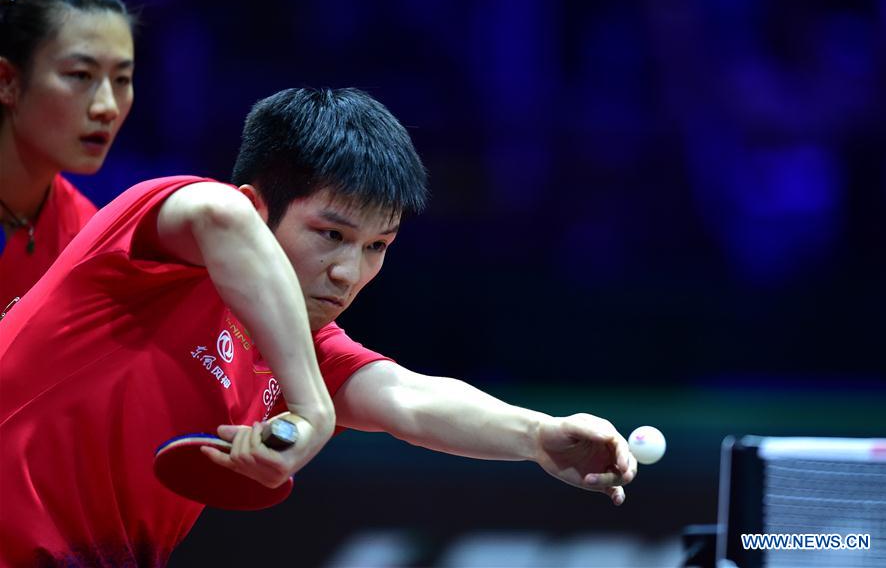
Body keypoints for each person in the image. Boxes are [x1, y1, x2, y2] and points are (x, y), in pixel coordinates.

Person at [0, 87, 637, 566]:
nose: (348, 273)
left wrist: (537, 434)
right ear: (258, 206)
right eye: (331, 234)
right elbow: (220, 216)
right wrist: (312, 408)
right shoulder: (154, 247)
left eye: (377, 246)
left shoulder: (300, 349)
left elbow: (406, 398)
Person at [0, 0, 135, 308]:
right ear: (7, 81)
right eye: (80, 75)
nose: (107, 107)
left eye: (122, 79)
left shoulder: (86, 243)